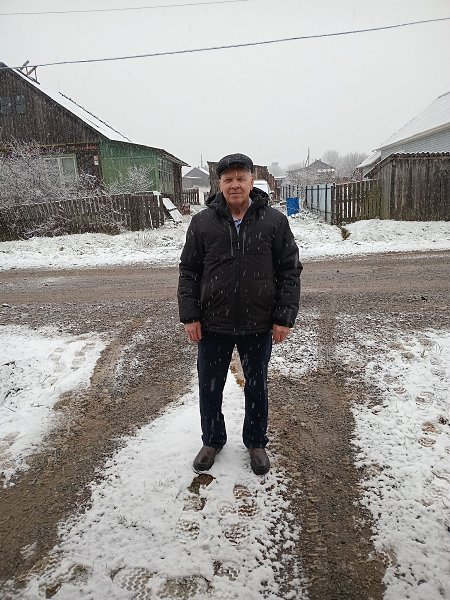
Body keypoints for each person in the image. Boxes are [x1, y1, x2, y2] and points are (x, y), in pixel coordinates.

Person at [178, 153, 302, 475]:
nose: (235, 185)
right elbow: (189, 271)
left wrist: (283, 317)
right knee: (210, 387)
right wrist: (191, 316)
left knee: (257, 387)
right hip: (212, 324)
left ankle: (256, 442)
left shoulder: (273, 221)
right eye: (228, 179)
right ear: (219, 183)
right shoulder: (202, 223)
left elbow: (289, 270)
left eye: (240, 178)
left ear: (251, 181)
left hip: (257, 324)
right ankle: (212, 440)